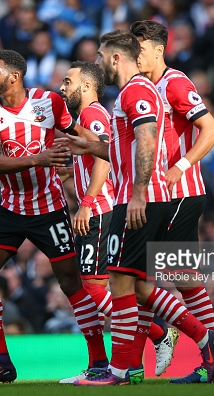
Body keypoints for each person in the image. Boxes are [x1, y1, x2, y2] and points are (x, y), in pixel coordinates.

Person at [62, 29, 214, 386]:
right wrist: (89, 148)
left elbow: (150, 139)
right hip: (148, 195)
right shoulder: (136, 91)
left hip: (151, 196)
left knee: (129, 282)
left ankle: (135, 364)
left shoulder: (140, 90)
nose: (98, 63)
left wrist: (140, 192)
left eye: (101, 56)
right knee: (133, 282)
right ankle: (162, 355)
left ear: (116, 58)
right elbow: (125, 150)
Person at [0, 49, 105, 387]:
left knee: (73, 285)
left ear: (13, 77)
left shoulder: (48, 103)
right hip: (11, 209)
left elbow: (77, 136)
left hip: (50, 209)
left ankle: (99, 361)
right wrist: (38, 158)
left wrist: (102, 149)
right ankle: (1, 362)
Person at [57, 60, 178, 383]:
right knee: (103, 287)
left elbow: (104, 160)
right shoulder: (87, 117)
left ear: (86, 87)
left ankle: (157, 334)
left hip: (100, 210)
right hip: (100, 209)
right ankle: (109, 362)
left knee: (97, 289)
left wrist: (85, 203)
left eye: (68, 82)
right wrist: (71, 172)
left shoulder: (94, 114)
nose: (62, 87)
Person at [130, 19, 214, 385]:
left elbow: (212, 129)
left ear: (157, 50)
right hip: (159, 196)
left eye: (139, 50)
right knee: (171, 279)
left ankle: (207, 358)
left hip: (181, 193)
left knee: (158, 277)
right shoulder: (142, 87)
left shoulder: (175, 82)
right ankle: (209, 361)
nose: (135, 56)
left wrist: (180, 166)